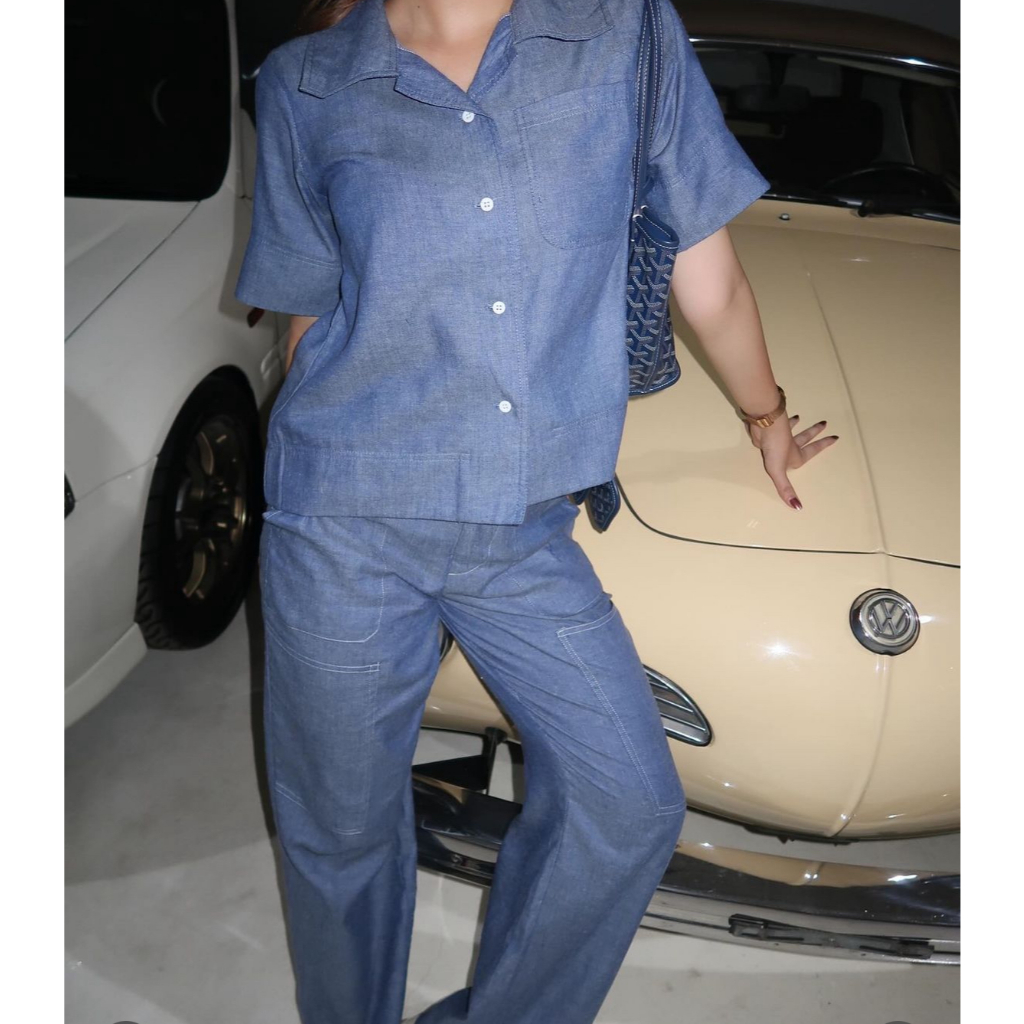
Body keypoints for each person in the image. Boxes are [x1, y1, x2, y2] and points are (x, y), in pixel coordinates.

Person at [233, 0, 838, 1022]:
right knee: (337, 828)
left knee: (627, 801)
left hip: (517, 529)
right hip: (341, 515)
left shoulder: (623, 34)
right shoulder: (305, 80)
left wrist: (765, 416)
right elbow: (311, 311)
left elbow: (711, 277)